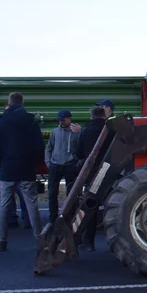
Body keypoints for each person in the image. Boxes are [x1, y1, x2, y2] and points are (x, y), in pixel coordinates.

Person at [0, 92, 44, 252]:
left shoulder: (1, 121)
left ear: (9, 103)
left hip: (7, 169)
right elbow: (39, 146)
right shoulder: (31, 121)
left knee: (3, 206)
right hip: (26, 168)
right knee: (32, 204)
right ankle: (39, 240)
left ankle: (2, 241)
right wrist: (33, 162)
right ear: (22, 103)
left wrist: (0, 163)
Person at [74, 105, 107, 251]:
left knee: (90, 204)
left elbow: (80, 153)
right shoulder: (111, 131)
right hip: (108, 172)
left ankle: (87, 241)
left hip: (92, 173)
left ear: (92, 116)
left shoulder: (86, 131)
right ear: (104, 115)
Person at [45, 109, 80, 225]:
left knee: (71, 194)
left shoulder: (76, 132)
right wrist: (48, 163)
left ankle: (70, 217)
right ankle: (53, 218)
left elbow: (82, 148)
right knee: (52, 193)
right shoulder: (55, 132)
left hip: (70, 165)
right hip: (55, 165)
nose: (61, 122)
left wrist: (76, 163)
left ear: (69, 119)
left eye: (63, 119)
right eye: (59, 120)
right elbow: (49, 148)